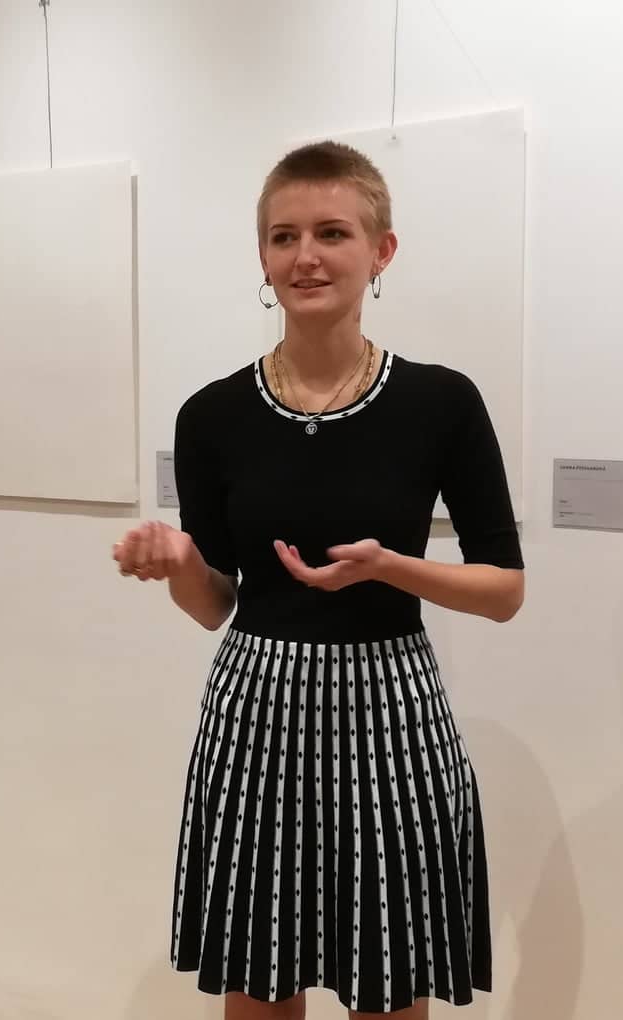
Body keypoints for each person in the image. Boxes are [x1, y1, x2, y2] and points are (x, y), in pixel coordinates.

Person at [113, 141, 526, 1020]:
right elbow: (217, 605)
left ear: (382, 251)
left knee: (389, 980)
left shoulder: (441, 402)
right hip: (256, 711)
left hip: (392, 708)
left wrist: (390, 567)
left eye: (332, 233)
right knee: (260, 979)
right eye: (284, 236)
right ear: (263, 258)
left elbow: (503, 590)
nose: (306, 256)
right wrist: (181, 563)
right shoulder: (213, 415)